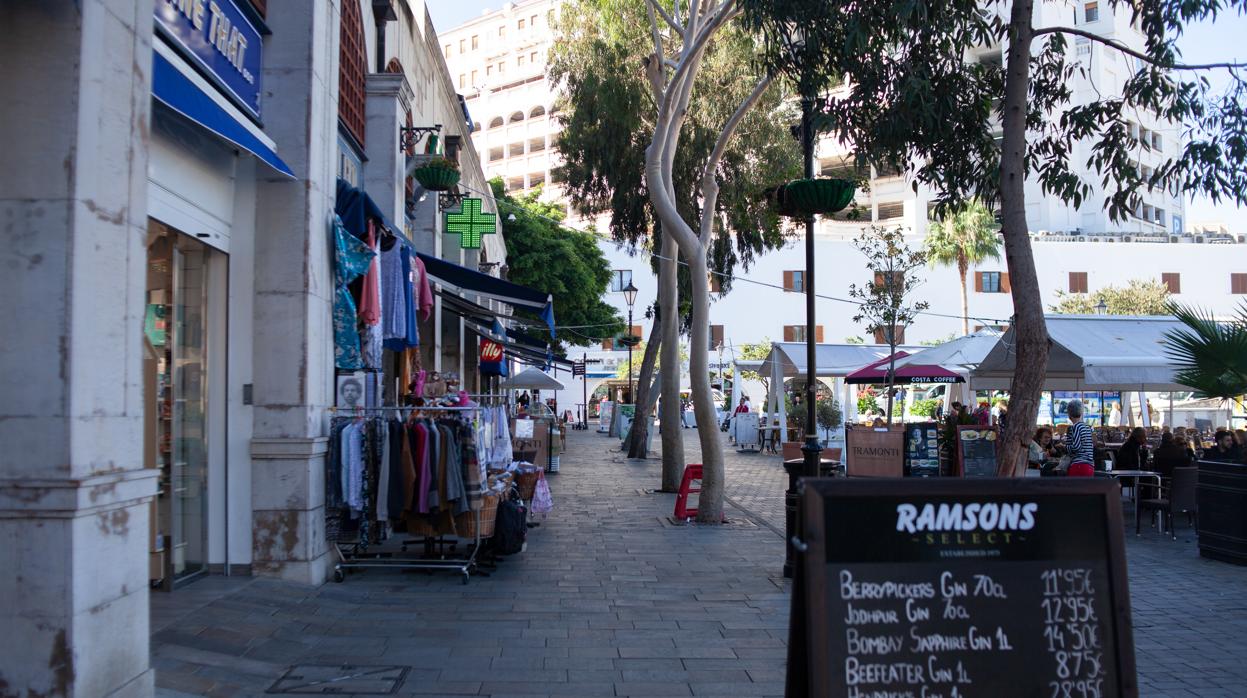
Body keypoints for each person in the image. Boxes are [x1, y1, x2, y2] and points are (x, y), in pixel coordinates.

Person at [1065, 400, 1096, 477]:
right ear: (1081, 412)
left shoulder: (1076, 426)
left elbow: (1076, 447)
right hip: (1089, 466)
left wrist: (1064, 447)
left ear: (1069, 414)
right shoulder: (1087, 427)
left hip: (1079, 466)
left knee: (1074, 489)